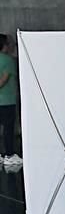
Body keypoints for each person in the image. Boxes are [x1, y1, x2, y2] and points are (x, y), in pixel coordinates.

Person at [0, 34, 21, 170]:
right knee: (8, 129)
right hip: (7, 101)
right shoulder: (8, 60)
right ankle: (9, 155)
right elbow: (4, 79)